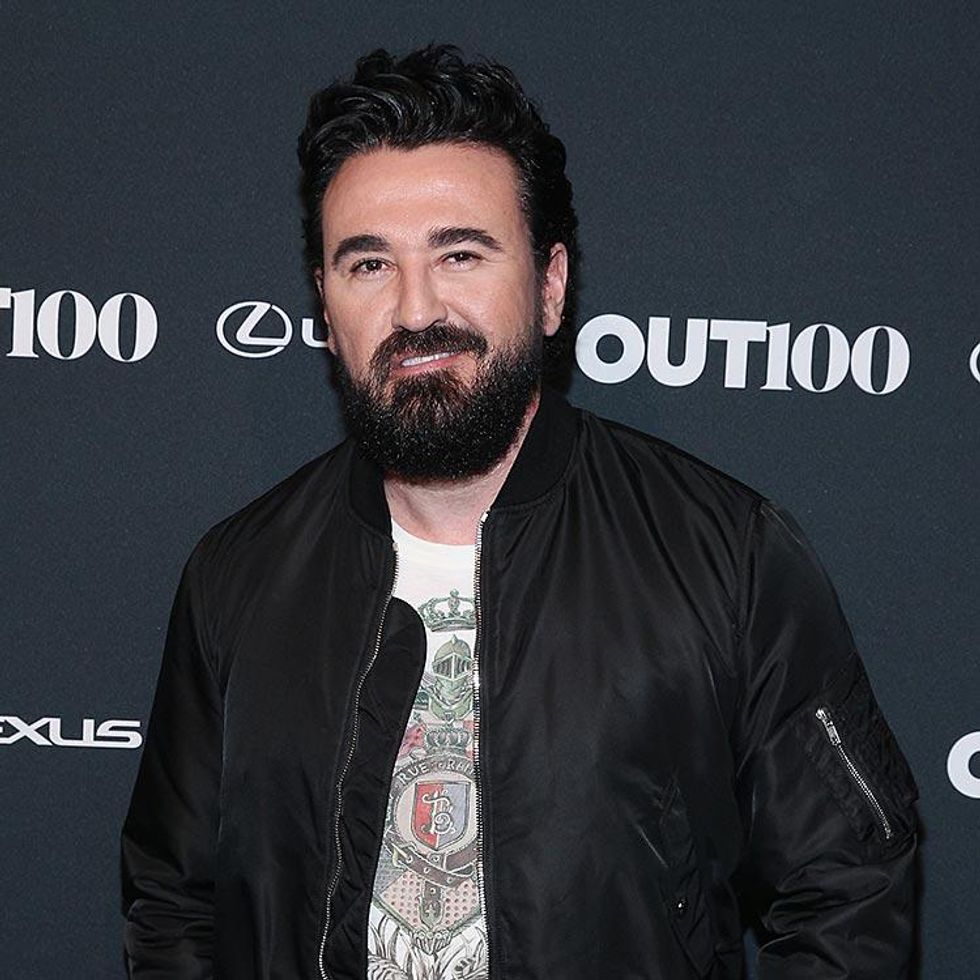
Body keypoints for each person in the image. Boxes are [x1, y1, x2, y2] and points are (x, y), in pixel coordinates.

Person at [120, 44, 919, 980]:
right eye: (369, 264)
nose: (416, 309)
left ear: (549, 287)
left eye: (460, 254)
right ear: (326, 311)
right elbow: (173, 897)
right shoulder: (238, 574)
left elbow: (851, 891)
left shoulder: (725, 555)